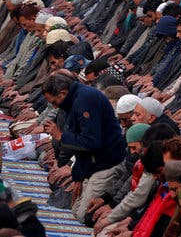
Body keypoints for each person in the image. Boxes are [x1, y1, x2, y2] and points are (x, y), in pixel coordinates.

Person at [42, 72, 126, 222]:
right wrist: (78, 176)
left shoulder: (84, 100)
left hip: (107, 162)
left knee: (83, 216)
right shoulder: (74, 100)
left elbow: (92, 142)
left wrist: (61, 136)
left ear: (63, 93)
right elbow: (80, 146)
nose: (55, 107)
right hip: (92, 162)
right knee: (74, 209)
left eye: (55, 102)